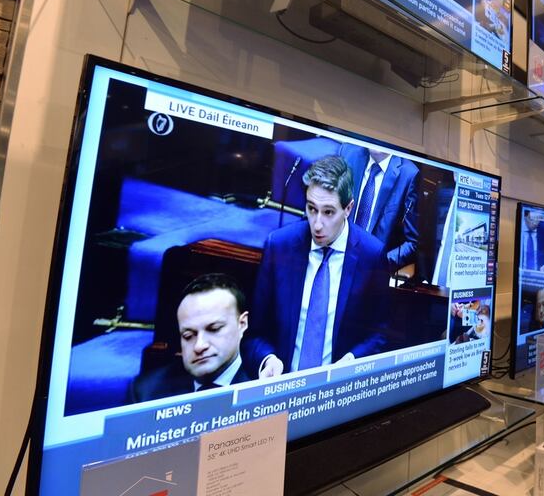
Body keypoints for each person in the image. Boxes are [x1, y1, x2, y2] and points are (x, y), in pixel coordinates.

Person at [247, 155, 391, 378]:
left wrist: (353, 361)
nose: (317, 224)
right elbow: (254, 335)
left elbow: (380, 334)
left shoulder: (372, 255)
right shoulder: (279, 246)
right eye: (312, 209)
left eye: (328, 212)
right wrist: (268, 359)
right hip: (282, 386)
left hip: (339, 390)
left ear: (348, 208)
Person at [130, 274, 253, 401]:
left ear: (242, 324)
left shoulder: (263, 383)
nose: (199, 346)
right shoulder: (146, 391)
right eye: (188, 336)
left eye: (214, 329)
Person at [340, 143, 420, 272]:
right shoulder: (348, 152)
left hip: (371, 270)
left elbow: (413, 243)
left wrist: (380, 263)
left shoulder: (409, 174)